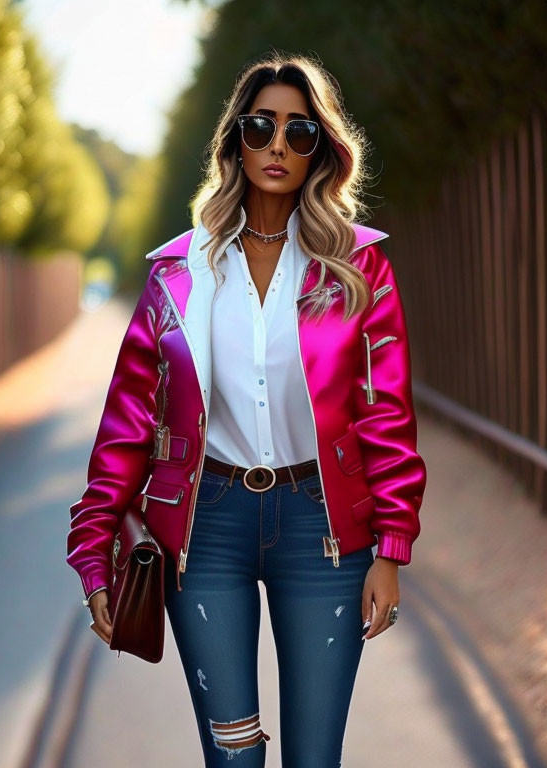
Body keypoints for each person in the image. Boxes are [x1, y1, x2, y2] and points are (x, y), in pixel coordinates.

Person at [66, 52, 427, 767]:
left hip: (322, 532)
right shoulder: (178, 272)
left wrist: (391, 547)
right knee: (233, 757)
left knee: (314, 758)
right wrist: (93, 551)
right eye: (262, 127)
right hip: (204, 532)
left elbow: (385, 416)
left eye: (301, 133)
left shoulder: (360, 268)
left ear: (322, 150)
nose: (278, 147)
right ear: (235, 138)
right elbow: (127, 424)